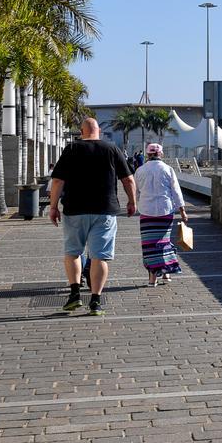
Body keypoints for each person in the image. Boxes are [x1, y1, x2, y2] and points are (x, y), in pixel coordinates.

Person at [49, 118, 136, 316]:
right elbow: (128, 179)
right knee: (100, 256)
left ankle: (74, 294)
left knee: (72, 252)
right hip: (104, 210)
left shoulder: (71, 149)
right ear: (99, 132)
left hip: (75, 210)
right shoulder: (112, 149)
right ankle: (95, 301)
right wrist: (132, 202)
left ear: (81, 131)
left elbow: (57, 181)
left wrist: (53, 207)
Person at [134, 143, 188, 285]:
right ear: (161, 154)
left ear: (148, 154)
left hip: (146, 212)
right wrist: (182, 211)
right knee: (164, 242)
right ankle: (166, 273)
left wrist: (135, 204)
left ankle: (152, 277)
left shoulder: (140, 170)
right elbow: (176, 192)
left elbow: (137, 192)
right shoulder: (168, 169)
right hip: (165, 211)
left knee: (149, 244)